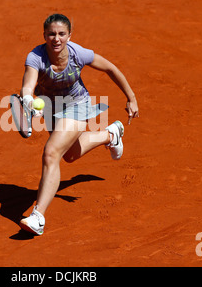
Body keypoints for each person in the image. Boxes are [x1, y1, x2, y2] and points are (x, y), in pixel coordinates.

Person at [18, 14, 139, 235]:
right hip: (52, 108)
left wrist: (131, 97)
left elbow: (110, 68)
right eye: (51, 34)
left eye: (61, 34)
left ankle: (38, 216)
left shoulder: (78, 54)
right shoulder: (35, 57)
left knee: (51, 153)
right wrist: (27, 98)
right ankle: (110, 135)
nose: (56, 39)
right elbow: (28, 85)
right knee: (70, 155)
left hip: (77, 105)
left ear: (69, 36)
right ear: (44, 35)